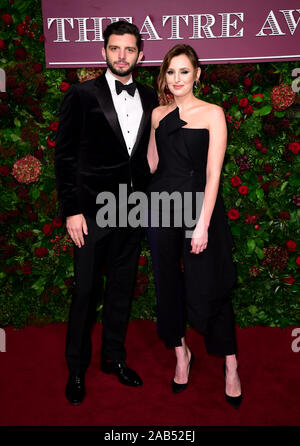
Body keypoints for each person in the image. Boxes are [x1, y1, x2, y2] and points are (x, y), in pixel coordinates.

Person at [55, 21, 158, 405]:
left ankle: (113, 358)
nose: (121, 56)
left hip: (131, 212)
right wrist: (72, 211)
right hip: (91, 213)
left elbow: (148, 157)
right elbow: (64, 156)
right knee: (85, 292)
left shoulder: (149, 96)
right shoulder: (81, 95)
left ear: (140, 56)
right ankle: (76, 369)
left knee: (120, 291)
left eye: (129, 49)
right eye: (115, 48)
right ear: (103, 52)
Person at [146, 44, 242, 409]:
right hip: (161, 207)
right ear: (164, 76)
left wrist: (201, 224)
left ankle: (231, 365)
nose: (177, 79)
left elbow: (213, 172)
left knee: (211, 286)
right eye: (171, 72)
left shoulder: (213, 114)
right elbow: (152, 163)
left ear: (197, 74)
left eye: (184, 71)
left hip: (201, 210)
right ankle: (180, 354)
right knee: (166, 283)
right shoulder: (157, 114)